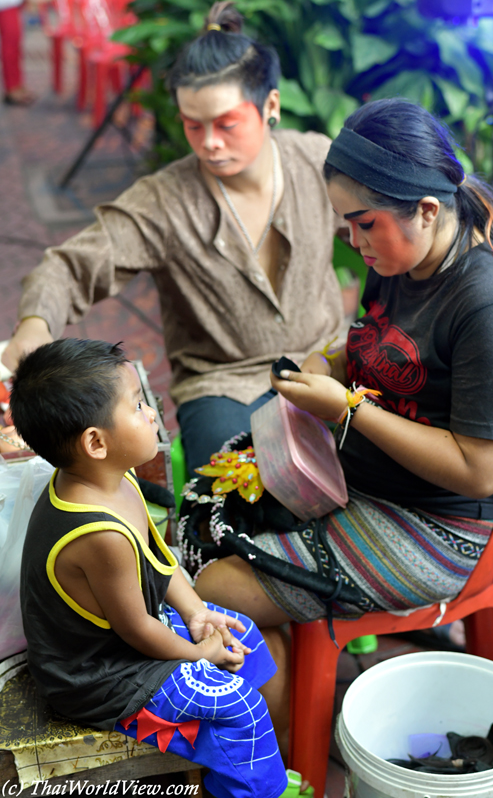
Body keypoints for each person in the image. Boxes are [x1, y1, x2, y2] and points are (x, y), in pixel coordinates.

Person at [192, 97, 493, 733]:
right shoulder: (398, 253)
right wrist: (325, 367)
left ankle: (299, 728)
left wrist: (349, 410)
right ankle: (298, 695)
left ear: (427, 210)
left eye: (362, 223)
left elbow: (481, 471)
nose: (352, 242)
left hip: (444, 524)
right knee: (201, 512)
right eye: (344, 225)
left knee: (206, 592)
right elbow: (371, 343)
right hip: (369, 473)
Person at [2, 0, 345, 472]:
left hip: (326, 360)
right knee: (232, 492)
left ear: (270, 106)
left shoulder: (317, 163)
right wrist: (34, 325)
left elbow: (388, 230)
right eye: (192, 125)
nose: (209, 143)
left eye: (226, 124)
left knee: (370, 464)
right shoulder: (165, 200)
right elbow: (71, 265)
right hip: (223, 383)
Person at [10, 337, 313, 798]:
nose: (152, 412)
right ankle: (254, 785)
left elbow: (159, 560)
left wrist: (195, 613)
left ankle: (248, 765)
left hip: (130, 637)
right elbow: (136, 631)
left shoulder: (113, 473)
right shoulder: (99, 534)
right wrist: (200, 655)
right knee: (236, 703)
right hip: (100, 675)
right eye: (136, 406)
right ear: (96, 442)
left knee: (242, 633)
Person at [0, 0, 35, 105]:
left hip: (11, 3)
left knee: (14, 45)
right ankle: (12, 88)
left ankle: (16, 85)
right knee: (10, 46)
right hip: (5, 4)